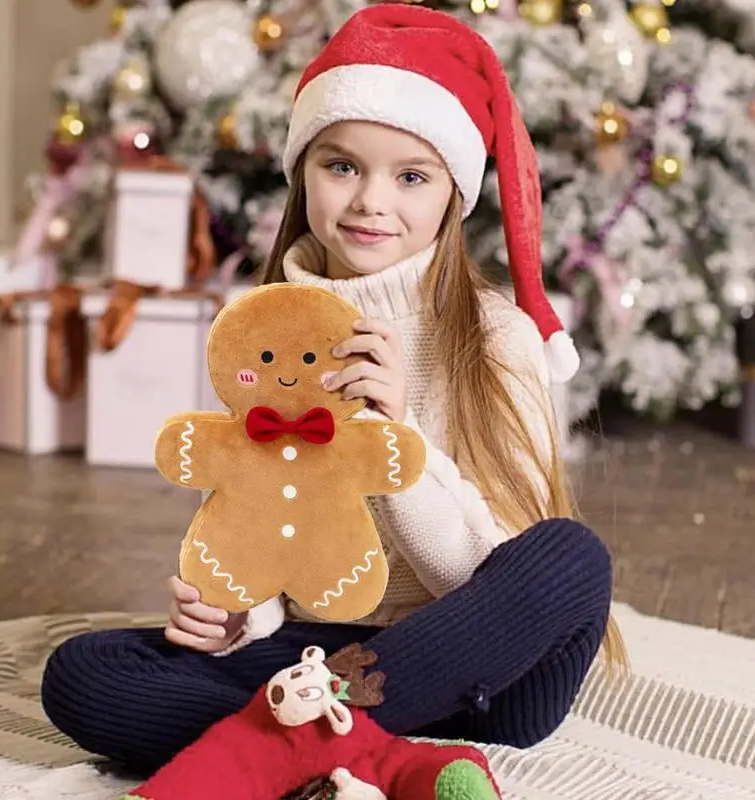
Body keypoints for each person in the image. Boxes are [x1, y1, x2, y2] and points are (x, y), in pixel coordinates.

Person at [40, 3, 626, 777]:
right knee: (85, 675)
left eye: (411, 176)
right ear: (301, 171)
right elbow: (265, 534)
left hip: (480, 667)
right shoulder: (266, 328)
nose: (369, 201)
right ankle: (350, 746)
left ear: (454, 193)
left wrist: (398, 437)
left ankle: (270, 747)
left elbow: (489, 571)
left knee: (571, 557)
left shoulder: (497, 336)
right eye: (341, 165)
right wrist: (235, 617)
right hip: (320, 652)